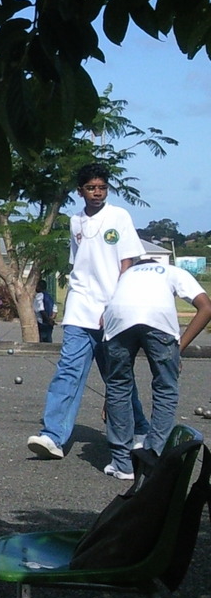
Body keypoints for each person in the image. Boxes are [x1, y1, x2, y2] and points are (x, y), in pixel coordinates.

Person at [28, 163, 150, 460]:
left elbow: (128, 262)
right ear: (80, 191)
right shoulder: (75, 221)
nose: (97, 193)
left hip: (112, 308)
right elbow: (79, 263)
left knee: (116, 377)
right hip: (80, 306)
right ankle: (53, 436)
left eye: (102, 187)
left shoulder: (119, 216)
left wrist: (116, 305)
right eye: (91, 188)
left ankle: (139, 430)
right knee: (68, 370)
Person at [99, 260, 211, 480]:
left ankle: (123, 464)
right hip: (158, 319)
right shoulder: (172, 271)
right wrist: (177, 350)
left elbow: (104, 318)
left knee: (118, 385)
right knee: (165, 387)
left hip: (118, 317)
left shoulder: (126, 275)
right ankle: (153, 456)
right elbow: (206, 308)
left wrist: (110, 396)